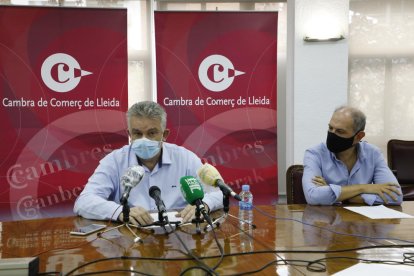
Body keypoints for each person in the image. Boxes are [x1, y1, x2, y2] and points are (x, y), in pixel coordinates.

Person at [73, 101, 223, 225]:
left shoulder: (185, 158)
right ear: (129, 135)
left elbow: (221, 193)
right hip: (132, 238)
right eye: (138, 133)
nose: (144, 139)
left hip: (180, 235)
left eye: (151, 133)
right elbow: (84, 202)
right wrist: (120, 212)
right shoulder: (114, 161)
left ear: (165, 135)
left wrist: (205, 204)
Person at [302, 105, 403, 205]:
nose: (332, 134)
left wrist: (336, 194)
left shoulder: (373, 153)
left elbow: (396, 197)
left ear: (359, 136)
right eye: (330, 128)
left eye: (340, 131)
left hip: (361, 220)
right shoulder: (314, 154)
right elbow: (313, 197)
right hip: (327, 219)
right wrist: (365, 188)